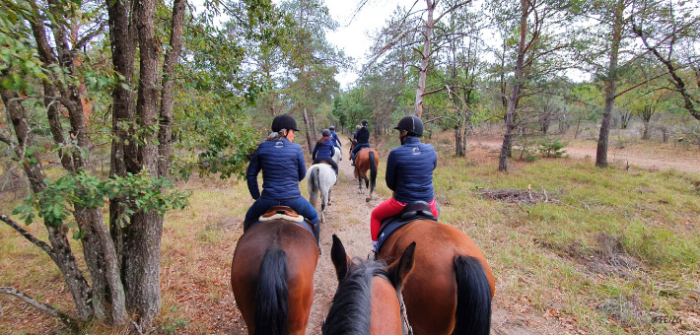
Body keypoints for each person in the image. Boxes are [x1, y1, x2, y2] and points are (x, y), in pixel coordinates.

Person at [245, 114, 320, 243]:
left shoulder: (262, 147)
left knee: (248, 218)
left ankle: (246, 244)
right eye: (293, 132)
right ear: (284, 132)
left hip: (267, 200)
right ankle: (317, 247)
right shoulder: (296, 148)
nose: (294, 135)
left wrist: (257, 196)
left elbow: (251, 174)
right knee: (314, 217)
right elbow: (302, 174)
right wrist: (289, 183)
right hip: (293, 199)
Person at [369, 115, 438, 251]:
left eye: (399, 132)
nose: (398, 136)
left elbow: (390, 184)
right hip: (429, 203)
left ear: (404, 133)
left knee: (375, 216)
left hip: (402, 203)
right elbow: (432, 167)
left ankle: (376, 250)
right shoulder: (430, 149)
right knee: (436, 223)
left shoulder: (395, 153)